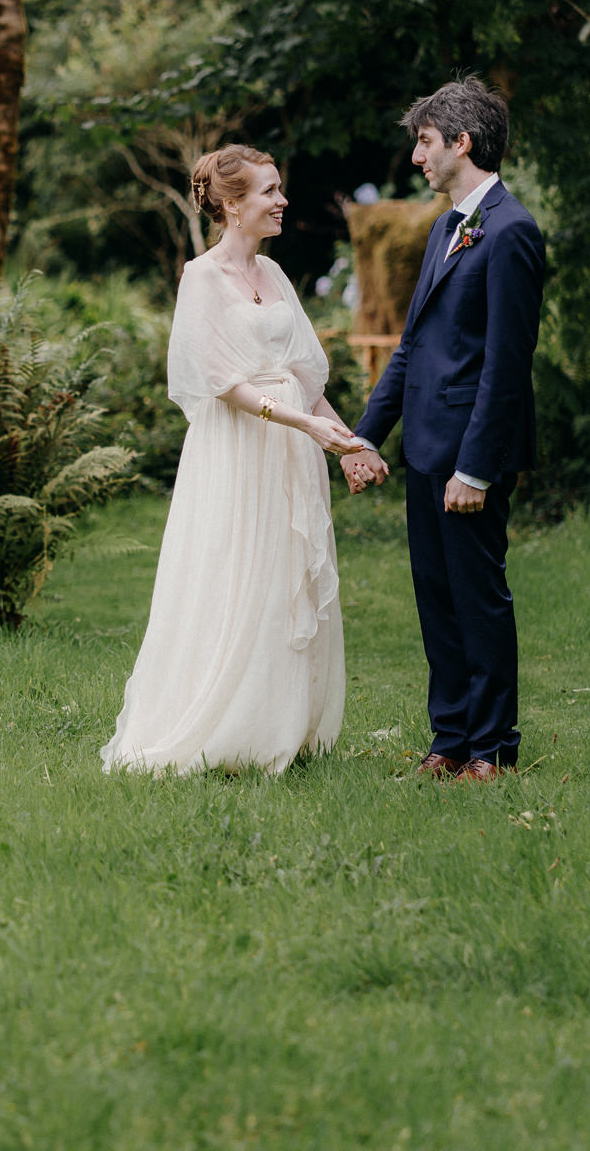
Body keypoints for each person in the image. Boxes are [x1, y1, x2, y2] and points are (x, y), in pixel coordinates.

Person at [101, 145, 366, 775]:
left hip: (290, 451)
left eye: (279, 189)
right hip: (237, 450)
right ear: (231, 204)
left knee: (285, 577)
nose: (282, 201)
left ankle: (281, 723)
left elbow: (305, 374)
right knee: (235, 574)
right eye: (269, 191)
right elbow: (223, 381)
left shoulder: (273, 277)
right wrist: (302, 423)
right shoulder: (202, 278)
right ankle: (223, 727)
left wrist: (349, 442)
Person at [341, 77, 546, 784]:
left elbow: (507, 364)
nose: (417, 157)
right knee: (435, 595)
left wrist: (477, 468)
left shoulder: (512, 230)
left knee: (478, 597)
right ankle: (450, 738)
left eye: (425, 142)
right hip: (424, 446)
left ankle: (492, 748)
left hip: (469, 456)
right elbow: (413, 347)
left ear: (462, 142)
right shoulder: (443, 227)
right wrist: (366, 434)